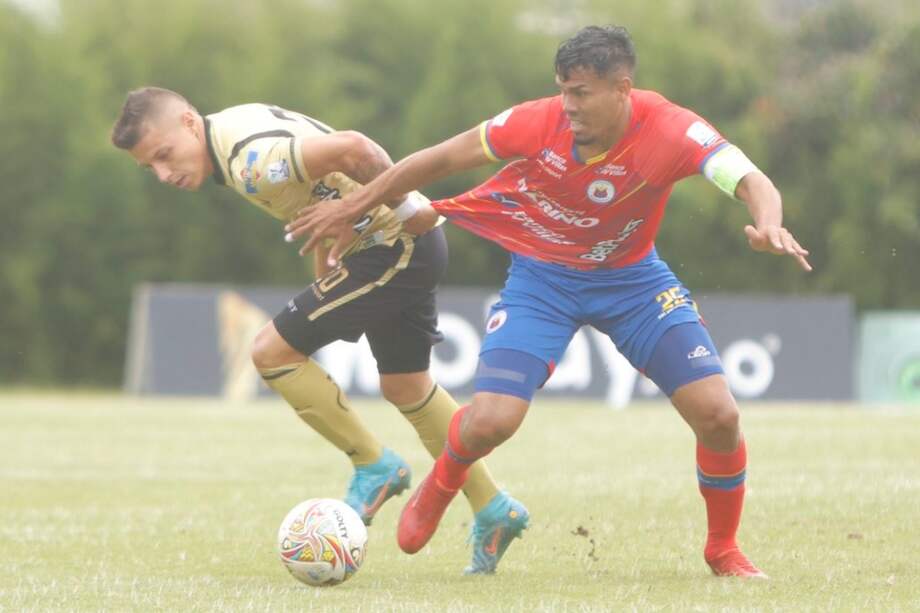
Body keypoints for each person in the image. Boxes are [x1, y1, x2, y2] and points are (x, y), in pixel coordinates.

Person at [286, 25, 813, 579]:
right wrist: (360, 203)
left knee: (719, 414)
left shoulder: (674, 130)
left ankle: (722, 550)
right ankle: (442, 483)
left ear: (622, 89)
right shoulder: (536, 122)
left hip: (633, 282)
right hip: (543, 279)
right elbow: (437, 160)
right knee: (491, 421)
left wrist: (768, 223)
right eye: (563, 90)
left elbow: (751, 178)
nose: (568, 105)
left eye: (581, 93)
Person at [110, 87, 529, 574]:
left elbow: (356, 150)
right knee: (406, 385)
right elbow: (321, 193)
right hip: (396, 248)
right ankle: (495, 509)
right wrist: (331, 259)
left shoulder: (249, 161)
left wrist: (407, 211)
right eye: (150, 168)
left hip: (395, 247)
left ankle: (375, 466)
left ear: (187, 122)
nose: (164, 174)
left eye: (164, 156)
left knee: (270, 352)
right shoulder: (227, 130)